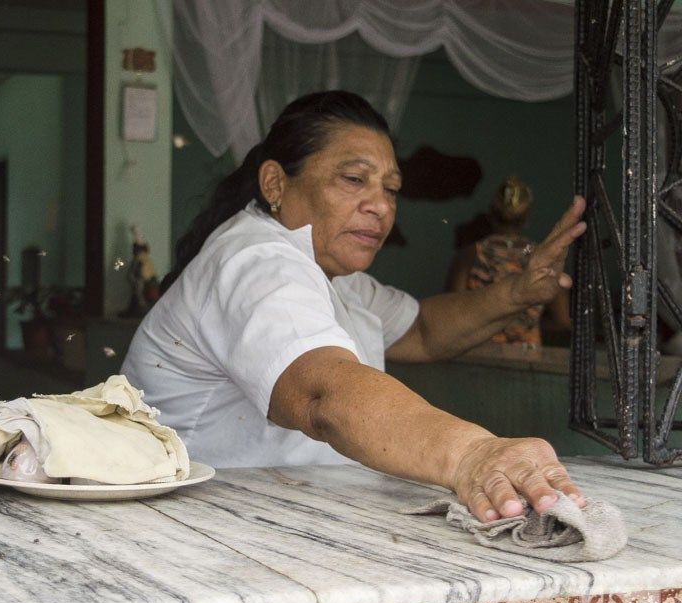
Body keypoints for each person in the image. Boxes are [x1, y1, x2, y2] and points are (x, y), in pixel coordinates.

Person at [121, 90, 588, 524]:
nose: (381, 206)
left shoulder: (328, 274)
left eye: (391, 188)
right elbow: (325, 394)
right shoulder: (258, 263)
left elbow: (422, 330)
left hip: (273, 519)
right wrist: (472, 456)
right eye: (354, 179)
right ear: (275, 183)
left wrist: (516, 294)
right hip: (202, 531)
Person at [445, 176, 571, 346]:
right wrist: (526, 325)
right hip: (528, 357)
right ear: (526, 218)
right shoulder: (540, 256)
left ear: (491, 214)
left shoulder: (471, 254)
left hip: (481, 353)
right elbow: (562, 321)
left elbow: (453, 312)